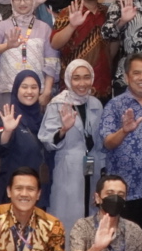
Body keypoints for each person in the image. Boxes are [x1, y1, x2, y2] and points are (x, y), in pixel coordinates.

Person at [97, 54, 142, 234]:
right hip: (122, 192)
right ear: (126, 77)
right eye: (137, 73)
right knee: (121, 243)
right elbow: (107, 143)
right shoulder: (114, 105)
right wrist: (124, 131)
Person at [41, 58, 102, 227]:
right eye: (76, 78)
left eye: (86, 77)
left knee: (91, 211)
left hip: (91, 164)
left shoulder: (96, 103)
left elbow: (100, 141)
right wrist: (63, 130)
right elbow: (47, 140)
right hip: (67, 167)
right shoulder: (58, 104)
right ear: (68, 79)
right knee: (68, 214)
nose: (82, 83)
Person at [0, 0, 60, 104]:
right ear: (11, 1)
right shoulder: (2, 26)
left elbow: (51, 61)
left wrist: (47, 92)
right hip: (7, 91)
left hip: (35, 92)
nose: (22, 3)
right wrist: (7, 46)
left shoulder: (44, 28)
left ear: (33, 0)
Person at [49, 0, 113, 100]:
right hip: (73, 88)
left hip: (103, 87)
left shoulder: (108, 13)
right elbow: (55, 43)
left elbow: (111, 50)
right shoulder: (68, 12)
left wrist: (120, 25)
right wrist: (72, 26)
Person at [0, 70, 49, 207]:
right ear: (16, 89)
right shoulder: (9, 118)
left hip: (38, 194)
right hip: (12, 195)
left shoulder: (44, 119)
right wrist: (8, 131)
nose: (29, 91)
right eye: (24, 87)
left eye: (34, 87)